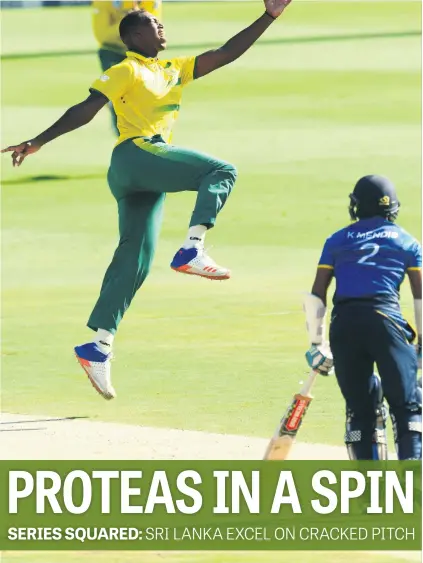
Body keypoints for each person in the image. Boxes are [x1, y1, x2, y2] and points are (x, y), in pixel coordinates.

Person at [2, 0, 293, 400]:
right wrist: (38, 141)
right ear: (135, 36)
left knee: (135, 258)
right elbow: (87, 109)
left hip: (142, 172)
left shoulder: (174, 69)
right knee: (221, 171)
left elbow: (226, 53)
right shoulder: (126, 69)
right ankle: (193, 248)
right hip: (135, 156)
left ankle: (98, 346)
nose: (161, 26)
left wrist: (269, 16)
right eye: (154, 24)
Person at [303, 175, 422, 460]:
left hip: (344, 325)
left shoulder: (337, 239)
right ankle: (413, 488)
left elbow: (317, 293)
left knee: (360, 409)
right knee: (407, 407)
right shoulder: (407, 242)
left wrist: (316, 342)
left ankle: (369, 494)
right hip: (386, 321)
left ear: (356, 205)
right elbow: (420, 297)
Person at [92, 0, 162, 134]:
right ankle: (124, 138)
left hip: (142, 53)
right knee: (119, 96)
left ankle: (147, 138)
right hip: (113, 52)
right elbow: (102, 36)